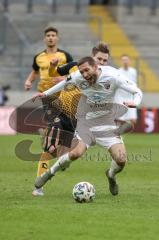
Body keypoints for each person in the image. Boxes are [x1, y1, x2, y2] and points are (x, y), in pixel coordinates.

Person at [33, 56, 142, 196]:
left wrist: (136, 102)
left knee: (121, 160)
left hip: (106, 124)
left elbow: (137, 91)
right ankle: (49, 174)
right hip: (87, 123)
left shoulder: (113, 76)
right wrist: (45, 93)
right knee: (75, 153)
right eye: (81, 72)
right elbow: (63, 84)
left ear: (96, 67)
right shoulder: (78, 76)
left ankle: (111, 175)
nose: (84, 75)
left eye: (86, 71)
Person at [32, 42, 111, 196]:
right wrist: (54, 68)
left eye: (105, 60)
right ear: (91, 58)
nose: (101, 63)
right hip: (58, 110)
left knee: (64, 157)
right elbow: (55, 73)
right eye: (99, 59)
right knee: (50, 148)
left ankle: (53, 145)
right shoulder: (75, 66)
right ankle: (38, 186)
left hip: (77, 120)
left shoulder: (107, 79)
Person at [24, 26, 73, 196]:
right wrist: (29, 81)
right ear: (45, 39)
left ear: (57, 38)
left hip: (66, 99)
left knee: (65, 151)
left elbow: (74, 74)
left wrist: (63, 78)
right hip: (49, 100)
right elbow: (35, 71)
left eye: (53, 35)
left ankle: (57, 148)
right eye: (48, 35)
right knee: (49, 147)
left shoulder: (64, 56)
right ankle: (39, 186)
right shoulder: (39, 57)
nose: (51, 38)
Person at [115, 54, 138, 126]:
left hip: (130, 97)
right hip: (121, 97)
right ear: (121, 61)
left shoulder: (133, 71)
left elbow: (134, 84)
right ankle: (117, 135)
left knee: (133, 121)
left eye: (126, 60)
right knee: (120, 120)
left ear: (129, 61)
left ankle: (121, 132)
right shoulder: (118, 71)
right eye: (123, 60)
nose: (125, 62)